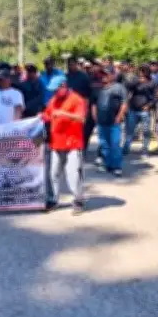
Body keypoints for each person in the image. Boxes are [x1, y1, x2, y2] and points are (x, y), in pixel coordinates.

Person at [43, 77, 87, 214]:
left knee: (73, 174)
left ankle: (78, 201)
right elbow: (48, 114)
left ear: (63, 86)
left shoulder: (77, 99)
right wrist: (41, 116)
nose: (54, 92)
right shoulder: (54, 100)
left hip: (72, 143)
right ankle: (53, 200)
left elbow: (81, 118)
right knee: (53, 174)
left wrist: (64, 113)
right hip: (56, 143)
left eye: (56, 90)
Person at [92, 67, 128, 176]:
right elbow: (93, 103)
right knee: (104, 144)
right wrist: (94, 115)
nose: (104, 76)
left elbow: (124, 103)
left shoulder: (119, 88)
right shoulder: (98, 88)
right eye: (102, 74)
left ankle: (117, 167)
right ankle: (108, 165)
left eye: (106, 74)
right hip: (101, 121)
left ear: (113, 75)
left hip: (114, 121)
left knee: (115, 144)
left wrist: (119, 116)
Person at [124, 64, 157, 157]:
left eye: (143, 71)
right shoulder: (136, 80)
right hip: (133, 109)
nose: (141, 73)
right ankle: (126, 148)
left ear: (148, 72)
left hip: (145, 110)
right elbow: (127, 86)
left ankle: (145, 150)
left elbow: (155, 96)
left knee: (146, 131)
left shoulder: (152, 82)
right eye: (140, 70)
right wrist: (137, 81)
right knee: (130, 130)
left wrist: (149, 105)